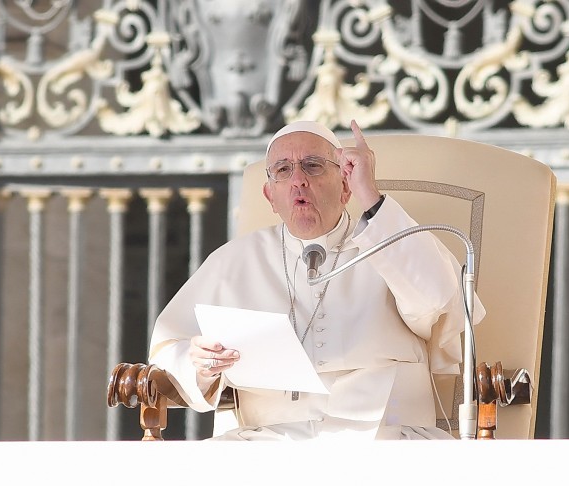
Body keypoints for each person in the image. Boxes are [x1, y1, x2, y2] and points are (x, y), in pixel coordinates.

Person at [148, 119, 485, 440]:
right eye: (284, 170)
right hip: (270, 441)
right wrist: (203, 366)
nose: (298, 180)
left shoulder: (391, 240)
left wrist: (371, 197)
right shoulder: (233, 260)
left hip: (387, 435)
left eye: (313, 165)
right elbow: (169, 348)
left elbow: (438, 300)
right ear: (270, 196)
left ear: (345, 187)